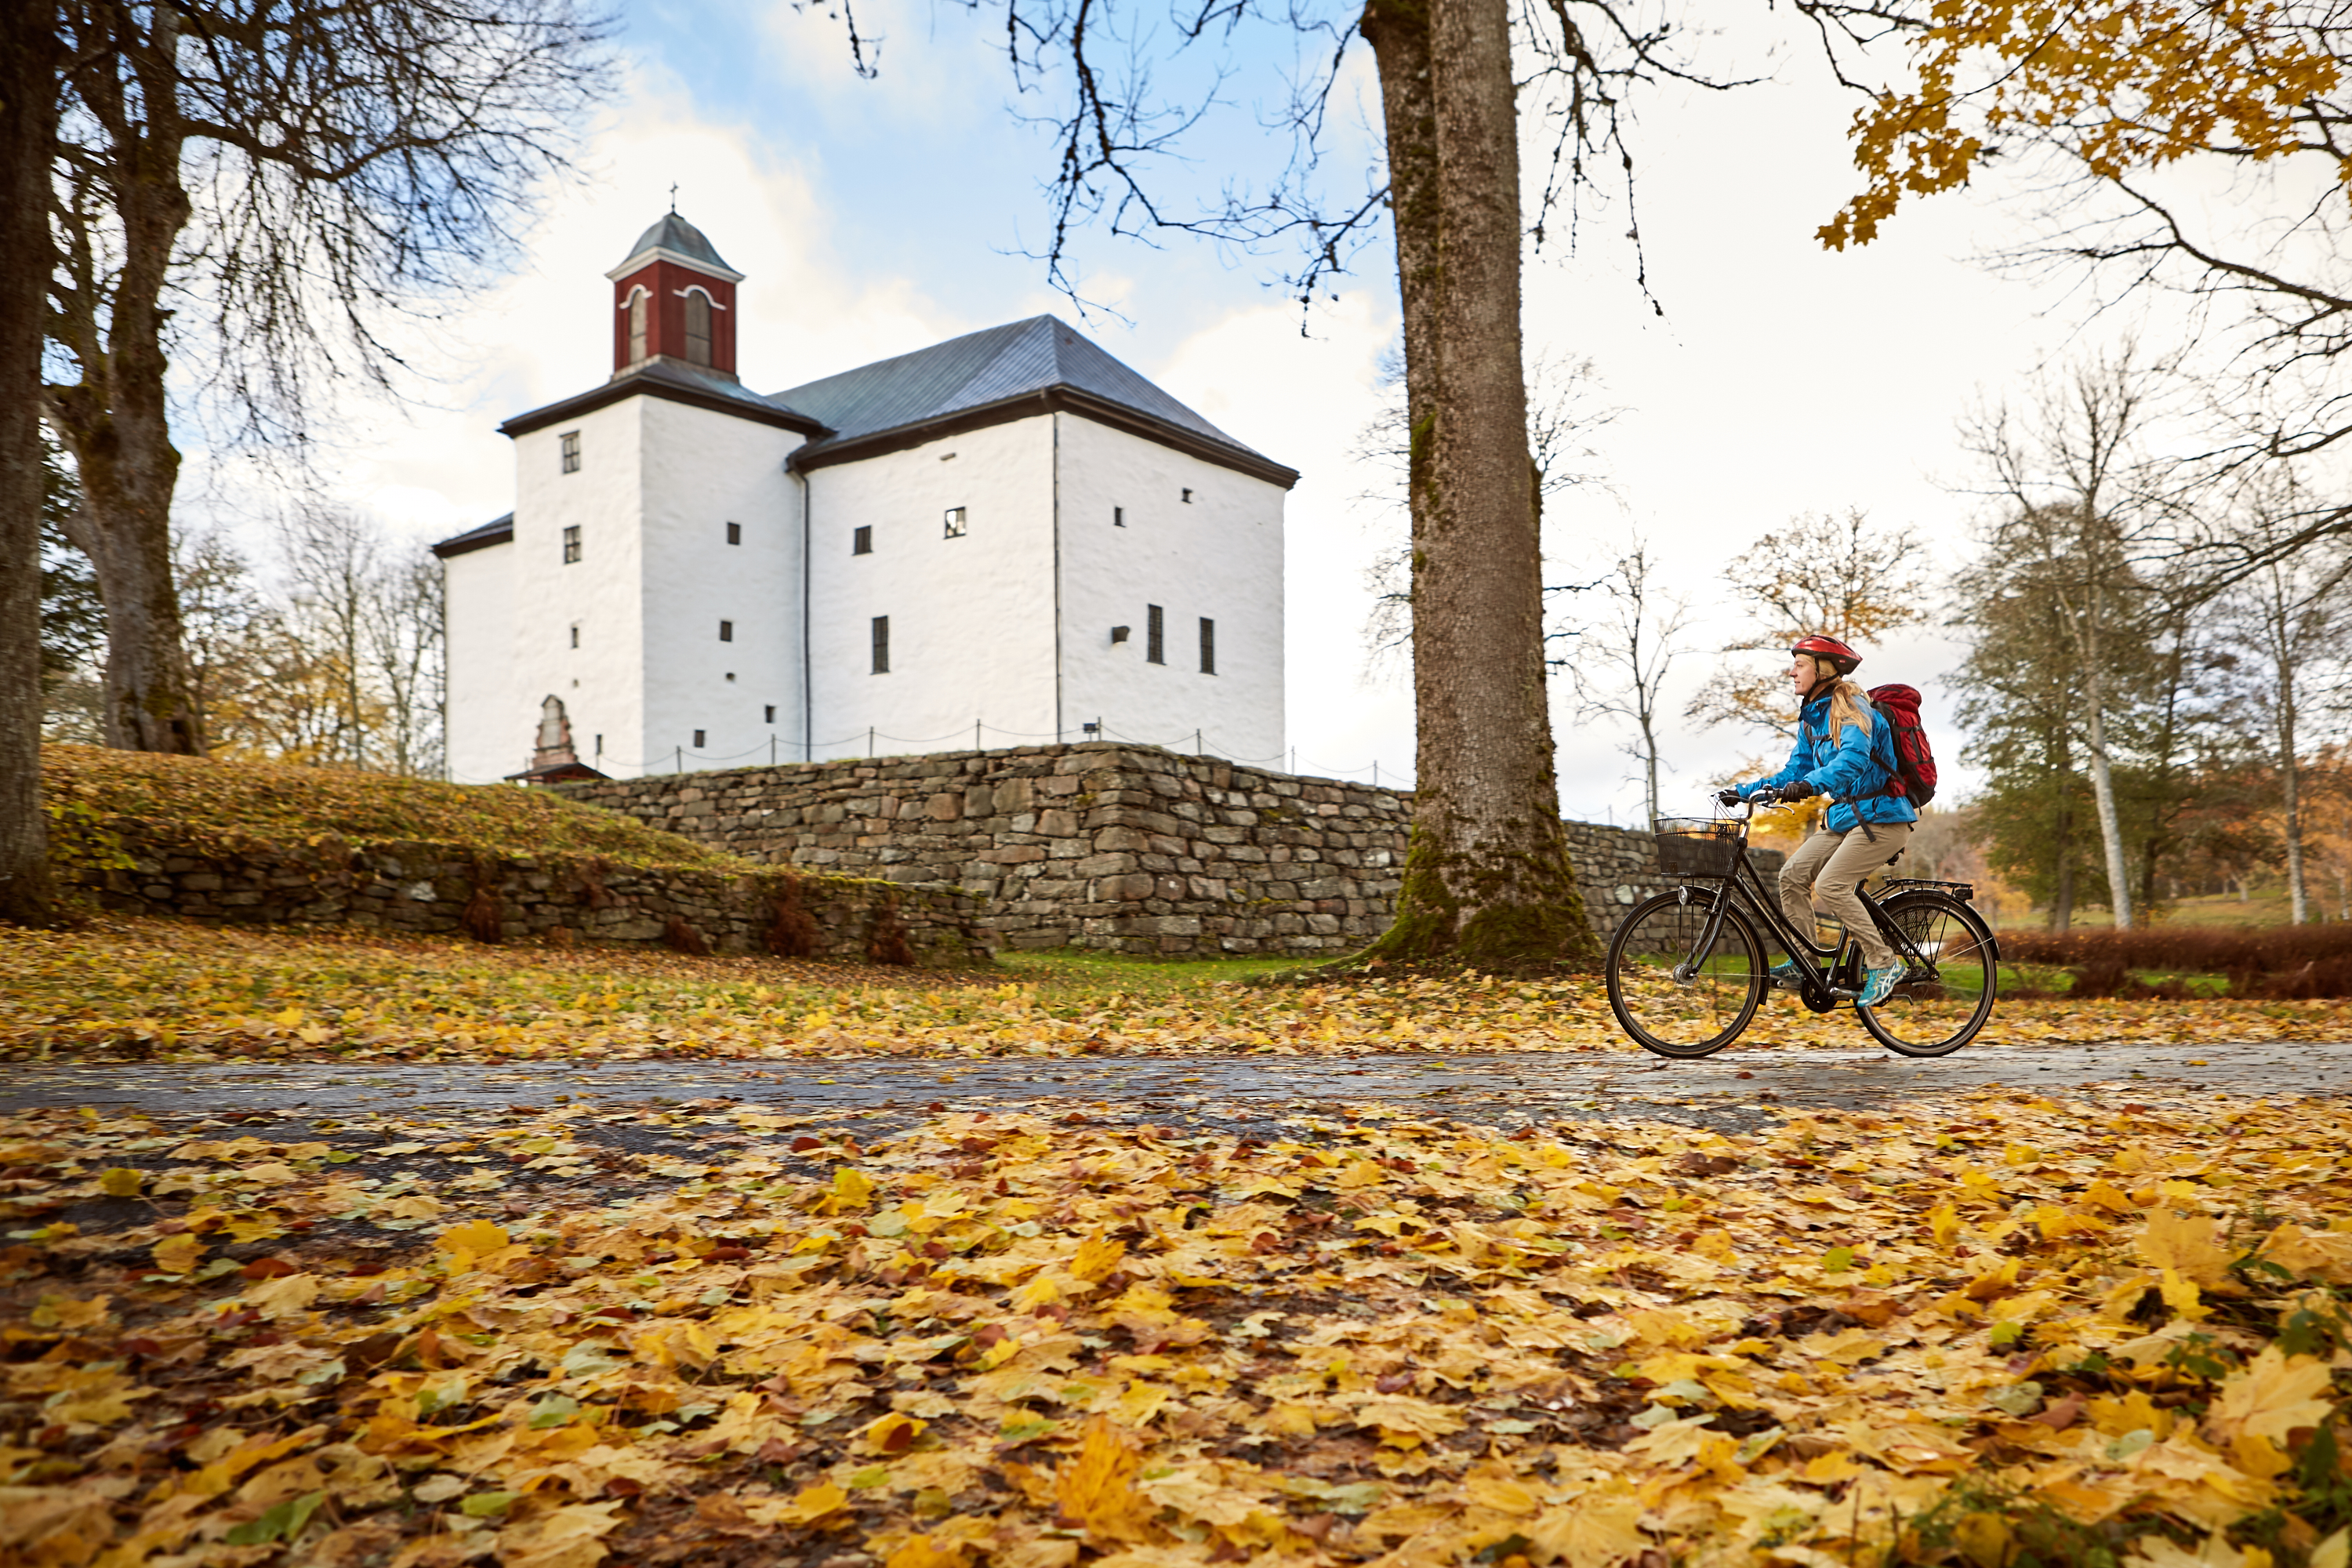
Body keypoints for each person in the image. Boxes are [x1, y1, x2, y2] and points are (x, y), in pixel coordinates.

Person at [1721, 635, 1918, 1006]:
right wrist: (1744, 790)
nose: (1790, 671)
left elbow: (1853, 761)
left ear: (1823, 669)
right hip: (1848, 819)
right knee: (1792, 875)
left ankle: (1884, 962)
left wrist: (1809, 786)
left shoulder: (1853, 707)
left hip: (1884, 818)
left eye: (1799, 665)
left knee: (1831, 885)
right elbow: (1795, 770)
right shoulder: (1812, 717)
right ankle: (1804, 962)